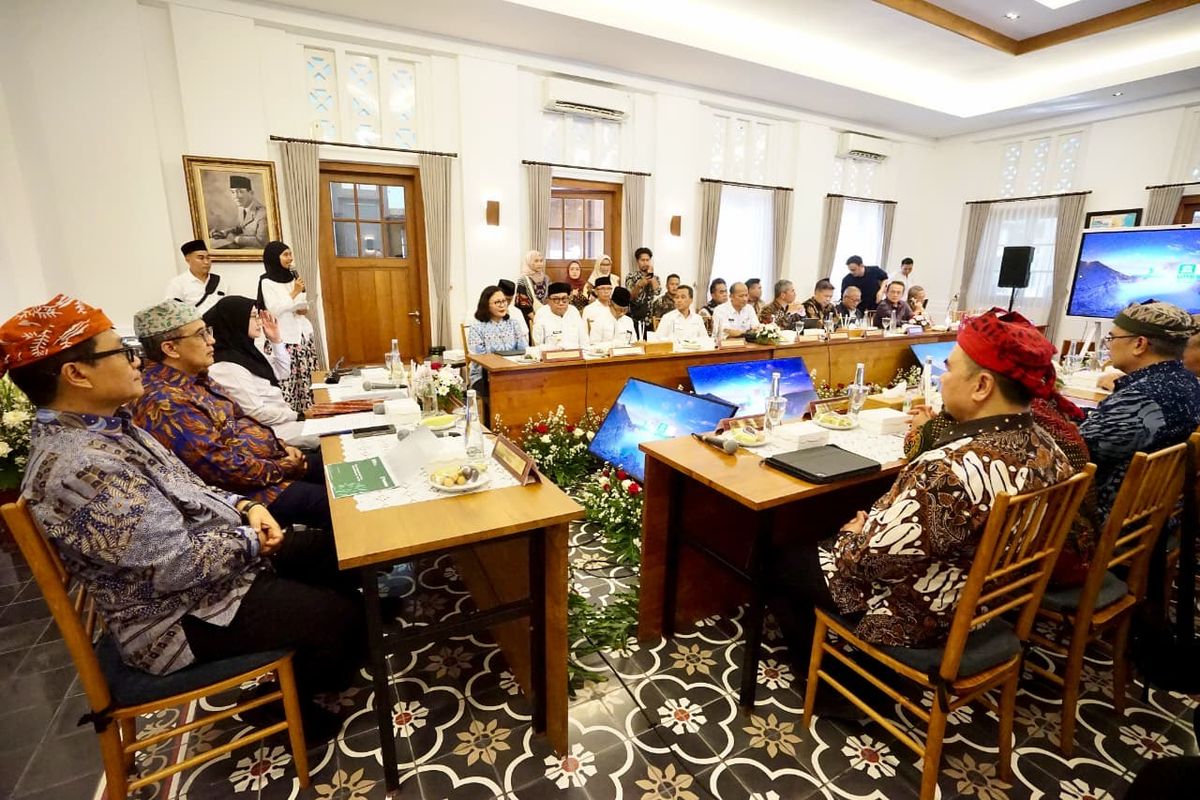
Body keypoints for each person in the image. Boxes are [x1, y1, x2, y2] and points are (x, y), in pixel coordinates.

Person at [0, 294, 363, 738]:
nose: (138, 362)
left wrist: (245, 507)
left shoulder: (113, 425)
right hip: (176, 614)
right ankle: (278, 707)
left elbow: (192, 487)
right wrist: (252, 537)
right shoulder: (76, 468)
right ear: (76, 374)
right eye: (122, 351)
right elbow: (174, 565)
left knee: (333, 553)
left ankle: (335, 652)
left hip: (217, 562)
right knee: (336, 613)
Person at [769, 308, 1074, 654]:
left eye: (950, 368)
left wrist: (852, 535)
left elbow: (866, 562)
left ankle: (832, 684)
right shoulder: (1051, 449)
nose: (942, 378)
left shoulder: (949, 469)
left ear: (982, 385)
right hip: (988, 601)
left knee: (782, 559)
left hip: (923, 612)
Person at [130, 300, 332, 532]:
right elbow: (221, 468)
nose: (211, 340)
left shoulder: (198, 377)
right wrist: (285, 466)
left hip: (269, 465)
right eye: (201, 335)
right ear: (170, 348)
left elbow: (243, 419)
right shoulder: (164, 400)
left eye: (209, 332)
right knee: (336, 503)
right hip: (249, 493)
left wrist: (282, 448)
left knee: (337, 467)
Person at [1079, 302, 1200, 520]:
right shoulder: (1187, 382)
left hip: (1104, 515)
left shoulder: (1141, 399)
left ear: (1139, 344)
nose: (1109, 346)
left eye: (1112, 338)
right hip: (1151, 507)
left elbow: (1075, 453)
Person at [203, 297, 308, 448]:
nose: (259, 322)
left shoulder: (244, 351)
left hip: (283, 421)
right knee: (330, 434)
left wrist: (275, 339)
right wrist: (299, 415)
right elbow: (255, 413)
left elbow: (283, 372)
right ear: (235, 320)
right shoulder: (227, 365)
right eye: (253, 316)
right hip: (271, 432)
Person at [256, 241, 317, 414]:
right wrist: (295, 293)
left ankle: (310, 413)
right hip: (284, 338)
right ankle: (291, 416)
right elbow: (273, 310)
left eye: (290, 254)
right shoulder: (266, 282)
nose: (290, 258)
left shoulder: (293, 277)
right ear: (274, 258)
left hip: (302, 333)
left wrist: (303, 304)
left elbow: (302, 306)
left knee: (306, 380)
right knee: (289, 381)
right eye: (285, 255)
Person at [467, 285, 526, 391]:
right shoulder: (477, 327)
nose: (502, 305)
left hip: (513, 373)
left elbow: (523, 350)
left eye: (504, 301)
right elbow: (480, 358)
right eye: (497, 302)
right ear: (486, 305)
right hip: (484, 376)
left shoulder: (514, 324)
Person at [164, 239, 225, 314]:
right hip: (194, 323)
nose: (206, 262)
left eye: (208, 258)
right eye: (201, 258)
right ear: (188, 259)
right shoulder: (177, 283)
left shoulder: (219, 280)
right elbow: (172, 312)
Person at [211, 175, 268, 249]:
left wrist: (235, 238)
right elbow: (243, 227)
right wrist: (225, 232)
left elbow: (262, 243)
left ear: (251, 193)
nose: (236, 196)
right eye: (233, 192)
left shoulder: (263, 213)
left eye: (240, 191)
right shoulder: (241, 208)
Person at [532, 282, 586, 348]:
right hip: (551, 355)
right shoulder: (542, 313)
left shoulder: (573, 311)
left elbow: (584, 340)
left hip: (576, 355)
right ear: (549, 301)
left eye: (564, 299)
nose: (561, 303)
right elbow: (538, 344)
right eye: (556, 299)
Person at [625, 247, 660, 338]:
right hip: (634, 317)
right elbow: (631, 297)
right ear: (637, 261)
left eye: (647, 260)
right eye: (642, 260)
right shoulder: (631, 276)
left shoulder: (655, 277)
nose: (645, 263)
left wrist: (651, 277)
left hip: (649, 318)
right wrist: (639, 285)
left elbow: (657, 291)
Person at [514, 250, 549, 328]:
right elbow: (523, 303)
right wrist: (535, 319)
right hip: (528, 319)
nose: (540, 264)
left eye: (541, 261)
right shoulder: (523, 280)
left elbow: (548, 298)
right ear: (529, 262)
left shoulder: (546, 278)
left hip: (544, 317)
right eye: (536, 261)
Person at [497, 279, 530, 344]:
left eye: (509, 300)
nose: (505, 303)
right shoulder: (486, 311)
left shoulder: (517, 312)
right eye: (503, 299)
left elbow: (525, 336)